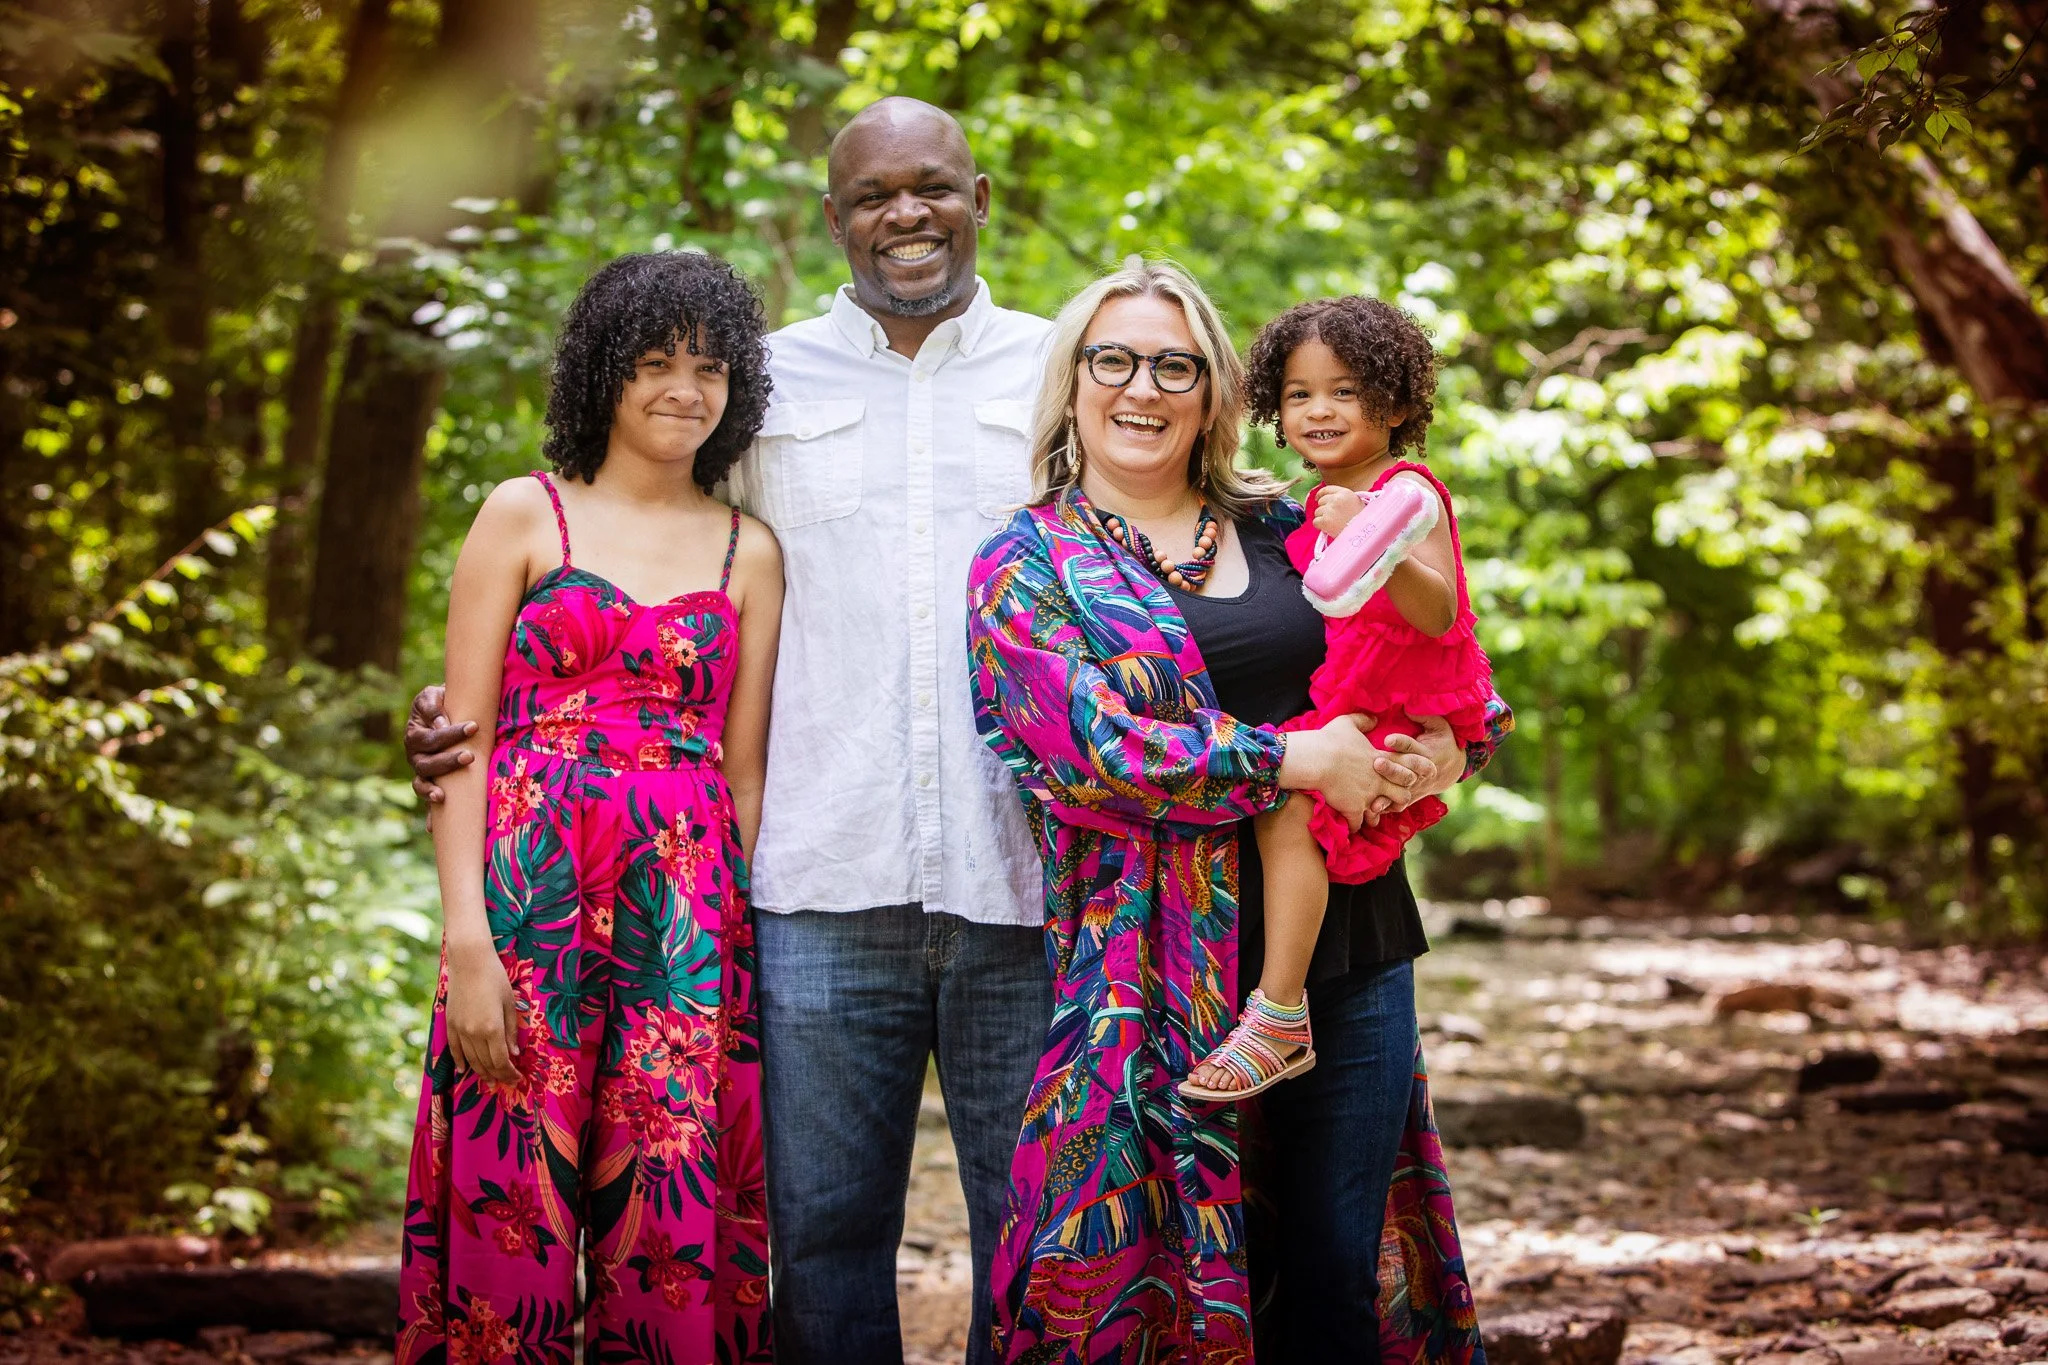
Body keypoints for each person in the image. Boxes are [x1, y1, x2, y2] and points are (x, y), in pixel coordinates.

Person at [407, 97, 1059, 1365]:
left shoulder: (1062, 371)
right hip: (813, 888)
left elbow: (1158, 538)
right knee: (810, 1244)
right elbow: (607, 574)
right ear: (833, 220)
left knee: (1032, 1235)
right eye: (872, 196)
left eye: (931, 186)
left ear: (979, 197)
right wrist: (457, 737)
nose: (904, 214)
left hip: (1020, 876)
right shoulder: (762, 385)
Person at [965, 257, 1495, 1362]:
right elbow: (1089, 754)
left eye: (1174, 364)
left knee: (1334, 1271)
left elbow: (1432, 658)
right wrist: (1295, 761)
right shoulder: (1027, 563)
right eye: (1113, 361)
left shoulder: (1284, 522)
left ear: (1212, 393)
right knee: (1156, 1280)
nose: (1141, 388)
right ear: (1072, 384)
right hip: (1150, 969)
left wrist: (1444, 749)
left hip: (1346, 950)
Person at [394, 251, 783, 1365]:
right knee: (507, 1199)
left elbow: (742, 770)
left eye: (709, 368)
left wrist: (735, 942)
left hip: (685, 923)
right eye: (656, 362)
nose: (683, 389)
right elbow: (457, 748)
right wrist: (466, 941)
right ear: (604, 374)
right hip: (525, 911)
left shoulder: (745, 548)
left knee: (668, 1214)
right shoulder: (525, 514)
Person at [1183, 296, 1494, 1103]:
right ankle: (1280, 1005)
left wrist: (1377, 538)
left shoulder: (1407, 490)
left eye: (1345, 391)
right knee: (1290, 800)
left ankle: (1279, 1010)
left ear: (1393, 404)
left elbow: (1442, 612)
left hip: (1399, 693)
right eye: (1298, 394)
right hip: (1358, 688)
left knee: (1289, 802)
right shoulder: (1299, 510)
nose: (1319, 409)